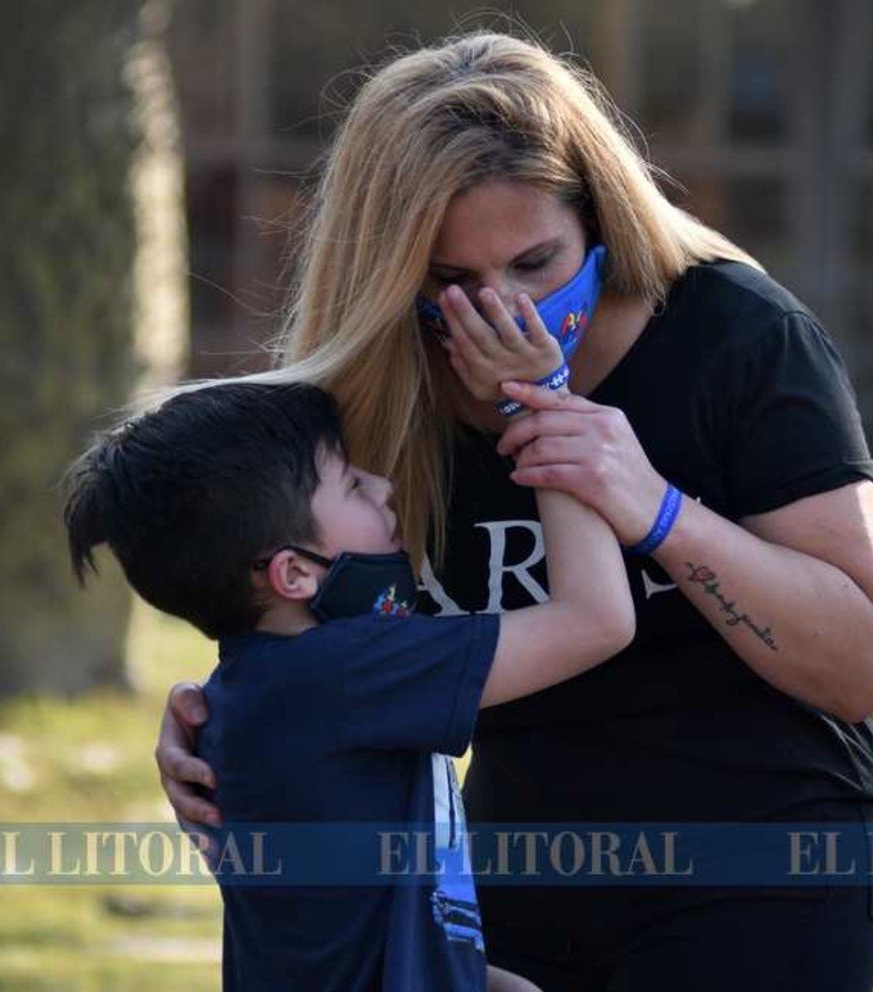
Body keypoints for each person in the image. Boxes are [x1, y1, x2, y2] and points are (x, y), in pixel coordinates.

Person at [154, 29, 873, 992]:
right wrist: (225, 719)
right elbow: (318, 621)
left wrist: (655, 509)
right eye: (452, 282)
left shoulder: (737, 336)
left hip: (760, 857)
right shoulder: (377, 388)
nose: (505, 308)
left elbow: (858, 666)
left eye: (536, 263)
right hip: (514, 864)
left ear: (597, 217)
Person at [65, 374, 633, 992]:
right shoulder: (350, 671)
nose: (385, 488)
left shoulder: (251, 691)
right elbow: (596, 620)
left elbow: (345, 933)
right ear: (293, 574)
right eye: (355, 486)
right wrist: (546, 408)